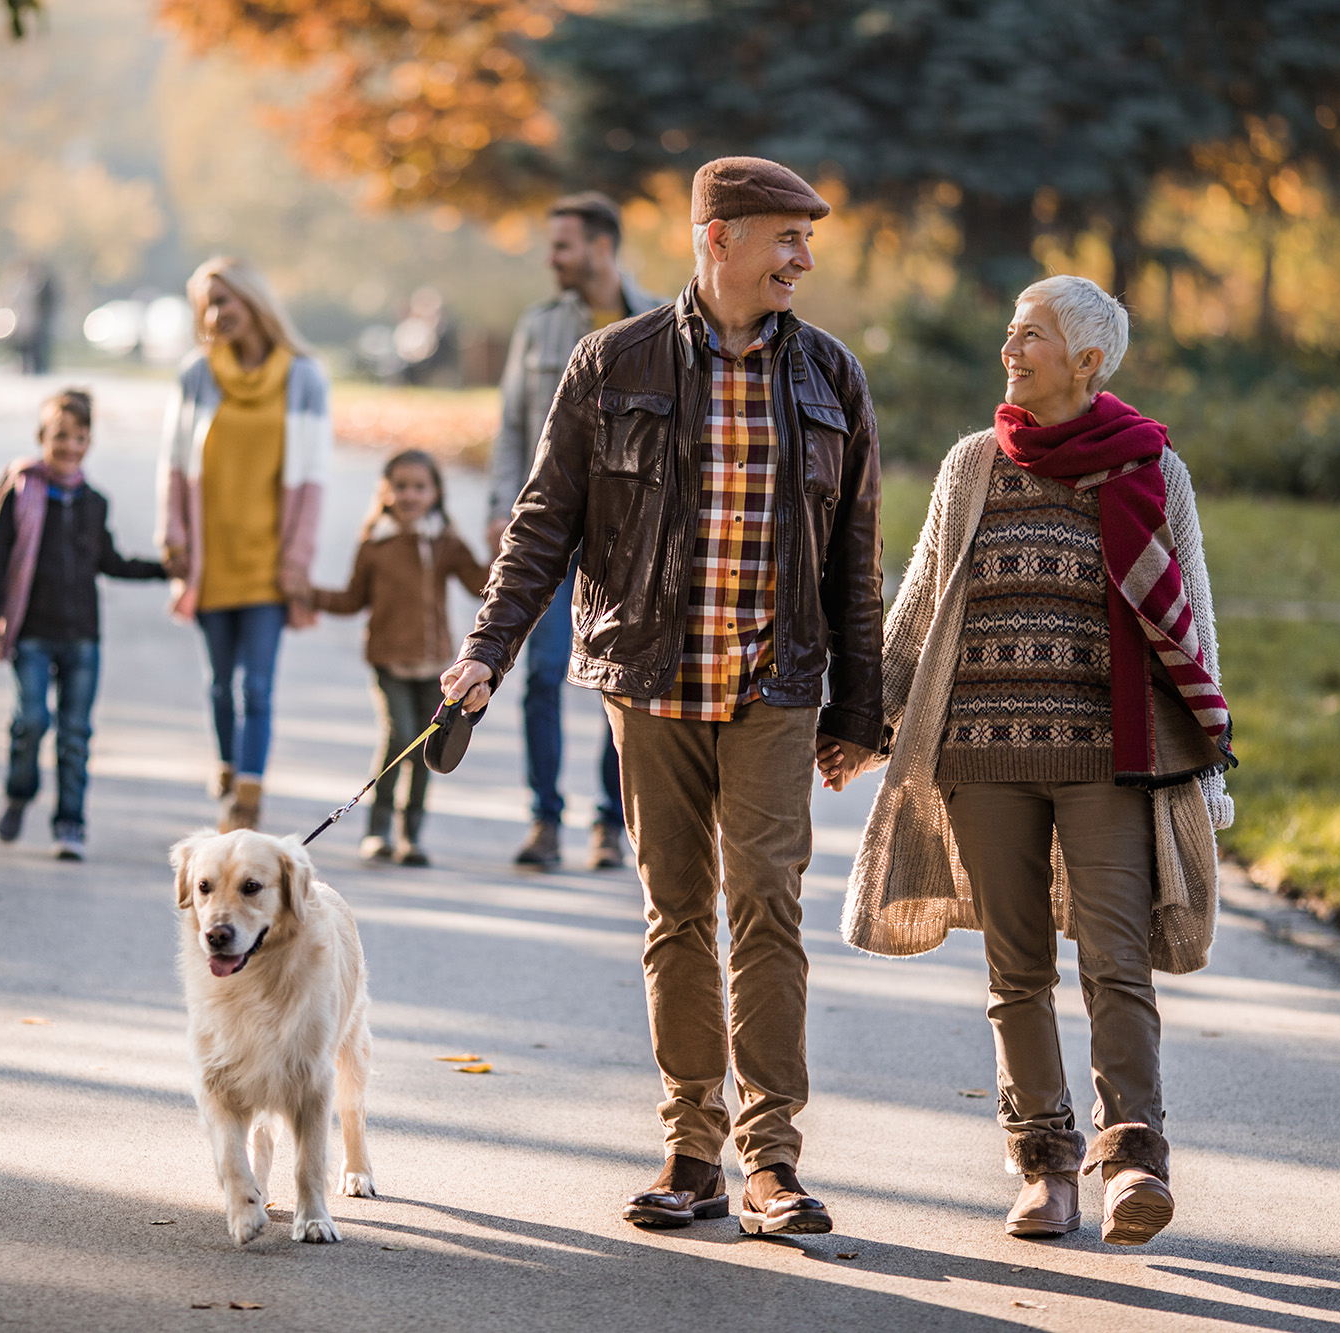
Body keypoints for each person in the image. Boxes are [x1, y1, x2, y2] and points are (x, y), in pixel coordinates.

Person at [444, 158, 885, 1235]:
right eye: (784, 238)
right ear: (717, 237)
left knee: (767, 907)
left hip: (775, 684)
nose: (803, 259)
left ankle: (770, 1159)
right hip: (649, 683)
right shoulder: (612, 361)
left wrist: (858, 712)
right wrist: (484, 653)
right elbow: (542, 523)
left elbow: (854, 558)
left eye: (806, 241)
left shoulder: (829, 374)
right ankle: (690, 1147)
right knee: (675, 913)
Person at [843, 275, 1235, 1247]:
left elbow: (1190, 619)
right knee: (1014, 969)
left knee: (1115, 959)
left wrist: (1209, 758)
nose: (1010, 352)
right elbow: (923, 602)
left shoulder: (1148, 471)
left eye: (1032, 337)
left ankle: (1134, 1155)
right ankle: (1043, 1164)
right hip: (979, 758)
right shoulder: (974, 463)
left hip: (1107, 759)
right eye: (1009, 333)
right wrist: (865, 717)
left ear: (1088, 362)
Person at [488, 192, 662, 872]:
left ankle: (608, 823)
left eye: (562, 244)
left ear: (600, 246)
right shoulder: (538, 326)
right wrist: (502, 509)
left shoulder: (658, 322)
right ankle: (544, 819)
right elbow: (510, 425)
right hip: (552, 532)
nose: (551, 257)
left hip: (630, 537)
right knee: (539, 671)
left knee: (619, 679)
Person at [157, 257, 333, 834]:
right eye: (206, 305)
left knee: (256, 684)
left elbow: (312, 481)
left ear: (253, 303)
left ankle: (248, 795)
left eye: (224, 300)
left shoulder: (302, 377)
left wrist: (297, 561)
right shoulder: (197, 375)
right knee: (218, 683)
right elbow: (174, 463)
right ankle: (229, 765)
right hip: (212, 560)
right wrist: (173, 533)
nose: (214, 314)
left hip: (268, 561)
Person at [0, 388, 170, 860]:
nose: (69, 446)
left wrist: (166, 568)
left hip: (83, 637)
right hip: (32, 635)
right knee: (31, 720)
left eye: (79, 437)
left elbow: (110, 560)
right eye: (60, 436)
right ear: (43, 437)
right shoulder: (19, 492)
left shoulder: (94, 502)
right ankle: (19, 793)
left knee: (75, 734)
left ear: (89, 442)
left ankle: (70, 824)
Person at [309, 450, 489, 867]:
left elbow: (479, 584)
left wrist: (503, 551)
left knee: (430, 745)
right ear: (386, 492)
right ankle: (377, 830)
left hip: (438, 669)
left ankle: (412, 836)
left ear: (435, 493)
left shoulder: (445, 542)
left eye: (419, 487)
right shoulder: (375, 545)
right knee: (400, 737)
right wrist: (308, 593)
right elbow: (353, 599)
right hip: (388, 661)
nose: (410, 495)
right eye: (401, 486)